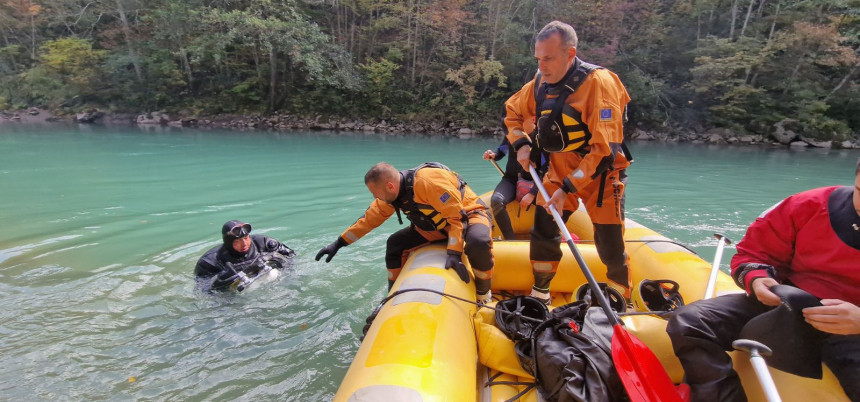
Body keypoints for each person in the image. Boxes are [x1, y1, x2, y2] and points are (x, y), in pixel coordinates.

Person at [666, 159, 860, 402]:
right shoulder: (807, 204)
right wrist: (757, 279)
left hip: (854, 326)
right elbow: (752, 254)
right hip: (789, 306)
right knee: (691, 322)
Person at [503, 20, 633, 304]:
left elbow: (604, 149)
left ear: (570, 53)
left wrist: (568, 189)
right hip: (560, 166)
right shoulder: (539, 83)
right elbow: (512, 114)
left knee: (610, 243)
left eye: (548, 58)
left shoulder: (599, 84)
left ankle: (621, 299)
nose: (542, 66)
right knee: (544, 230)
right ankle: (541, 292)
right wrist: (522, 144)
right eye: (538, 59)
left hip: (601, 174)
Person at [315, 162, 495, 303]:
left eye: (375, 193)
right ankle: (392, 294)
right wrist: (339, 243)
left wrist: (454, 253)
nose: (374, 198)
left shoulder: (427, 181)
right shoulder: (391, 195)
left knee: (478, 242)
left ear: (390, 186)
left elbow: (458, 218)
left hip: (469, 214)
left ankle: (483, 292)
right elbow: (368, 220)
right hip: (438, 226)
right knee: (394, 244)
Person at [195, 220, 296, 291]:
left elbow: (291, 255)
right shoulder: (210, 261)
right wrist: (221, 280)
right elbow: (203, 289)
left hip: (276, 283)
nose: (244, 244)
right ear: (228, 242)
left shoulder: (264, 243)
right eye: (238, 241)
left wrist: (272, 258)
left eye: (246, 238)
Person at [482, 136, 547, 240]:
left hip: (536, 182)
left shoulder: (541, 134)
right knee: (496, 200)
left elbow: (547, 170)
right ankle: (510, 240)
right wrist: (494, 154)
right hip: (511, 179)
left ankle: (544, 239)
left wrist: (532, 193)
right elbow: (502, 150)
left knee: (550, 206)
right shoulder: (513, 131)